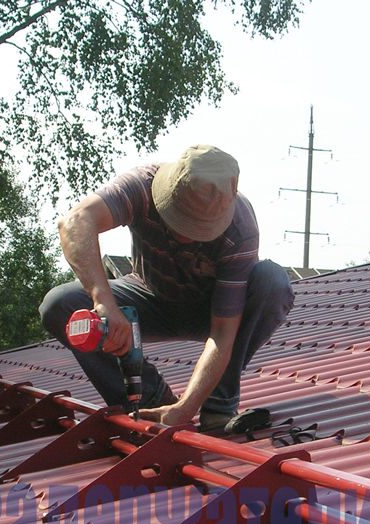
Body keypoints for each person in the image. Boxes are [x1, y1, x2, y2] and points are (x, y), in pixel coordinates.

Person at [39, 144, 294, 431]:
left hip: (211, 311)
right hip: (148, 297)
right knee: (60, 305)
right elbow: (75, 222)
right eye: (179, 219)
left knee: (272, 282)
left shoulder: (240, 227)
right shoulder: (141, 186)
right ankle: (149, 403)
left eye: (199, 228)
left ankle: (218, 407)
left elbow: (223, 334)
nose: (186, 237)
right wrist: (104, 304)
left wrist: (186, 408)